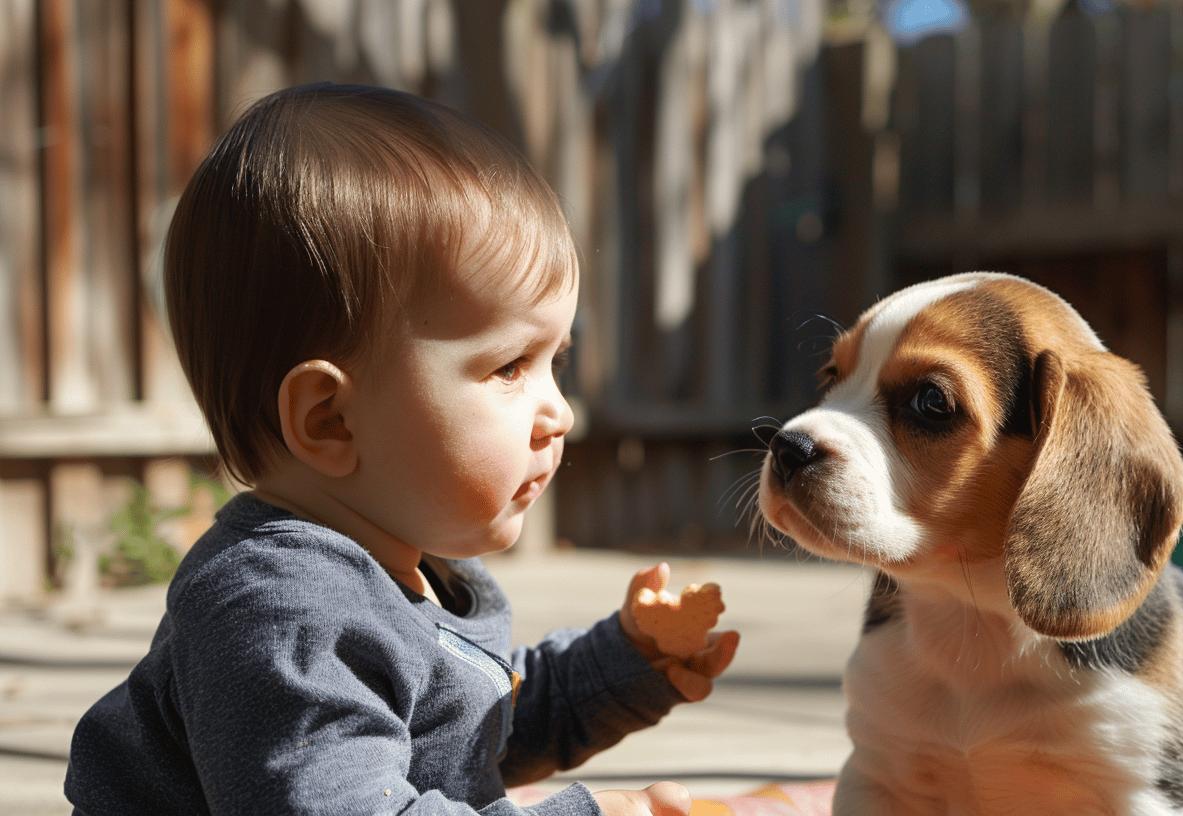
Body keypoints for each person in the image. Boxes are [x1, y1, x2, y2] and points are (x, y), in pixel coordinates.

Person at [64, 83, 739, 816]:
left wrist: (627, 661)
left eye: (557, 362)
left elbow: (469, 730)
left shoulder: (404, 568)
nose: (561, 414)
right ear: (331, 422)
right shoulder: (281, 612)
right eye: (510, 367)